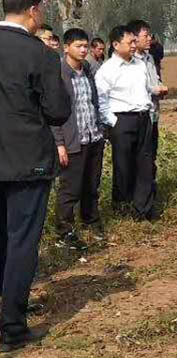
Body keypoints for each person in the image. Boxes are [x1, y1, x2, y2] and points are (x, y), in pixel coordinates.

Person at [0, 0, 71, 352]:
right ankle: (12, 326)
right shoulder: (38, 54)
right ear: (34, 11)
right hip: (27, 160)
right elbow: (58, 110)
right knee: (21, 241)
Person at [94, 24, 156, 220]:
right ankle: (122, 205)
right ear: (115, 44)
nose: (133, 45)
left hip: (143, 118)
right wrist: (114, 122)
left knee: (145, 164)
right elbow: (101, 100)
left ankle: (143, 208)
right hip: (122, 120)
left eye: (134, 41)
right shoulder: (107, 70)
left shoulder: (140, 65)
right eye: (129, 42)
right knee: (123, 165)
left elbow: (146, 90)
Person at [51, 28, 105, 248]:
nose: (84, 50)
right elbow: (53, 114)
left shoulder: (89, 71)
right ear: (66, 48)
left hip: (93, 136)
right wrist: (59, 144)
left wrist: (101, 131)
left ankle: (91, 221)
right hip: (72, 140)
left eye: (85, 46)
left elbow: (94, 103)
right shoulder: (59, 74)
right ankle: (64, 231)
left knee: (92, 184)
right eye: (78, 46)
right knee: (70, 188)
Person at [131, 20, 168, 194]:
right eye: (145, 36)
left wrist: (160, 86)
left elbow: (155, 79)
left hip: (154, 113)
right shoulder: (130, 61)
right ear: (134, 37)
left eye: (150, 35)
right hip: (139, 115)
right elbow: (137, 87)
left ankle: (150, 190)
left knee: (151, 153)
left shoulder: (150, 57)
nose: (149, 39)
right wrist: (155, 89)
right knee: (140, 156)